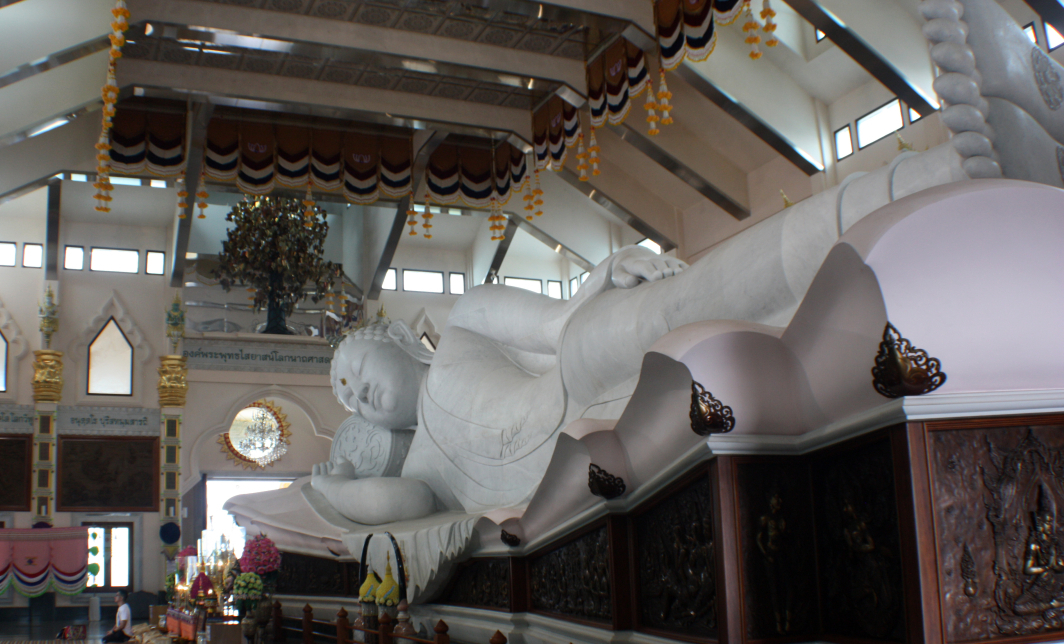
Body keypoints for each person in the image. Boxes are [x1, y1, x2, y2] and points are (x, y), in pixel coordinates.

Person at [239, 0, 1064, 532]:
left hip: (575, 367)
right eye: (345, 397)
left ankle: (957, 167)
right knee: (777, 337)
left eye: (351, 366)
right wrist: (326, 487)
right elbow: (396, 509)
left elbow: (553, 322)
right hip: (582, 452)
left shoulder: (458, 324)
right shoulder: (417, 469)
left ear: (396, 339)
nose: (354, 393)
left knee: (712, 293)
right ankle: (990, 207)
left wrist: (598, 285)